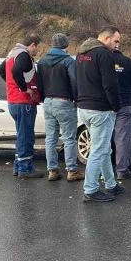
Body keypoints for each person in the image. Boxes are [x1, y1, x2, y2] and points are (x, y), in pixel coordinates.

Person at [76, 27, 124, 202]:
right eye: (115, 41)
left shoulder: (81, 54)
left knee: (103, 148)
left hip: (84, 108)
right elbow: (110, 84)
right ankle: (91, 189)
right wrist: (116, 105)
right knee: (99, 150)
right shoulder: (104, 55)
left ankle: (111, 184)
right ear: (105, 38)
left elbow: (76, 80)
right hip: (100, 110)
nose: (117, 45)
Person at [37, 33, 84, 183]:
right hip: (64, 102)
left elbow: (39, 83)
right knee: (69, 138)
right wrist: (77, 98)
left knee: (50, 138)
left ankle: (52, 170)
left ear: (52, 44)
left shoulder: (42, 61)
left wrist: (43, 97)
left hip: (48, 102)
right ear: (65, 45)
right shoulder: (68, 61)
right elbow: (75, 81)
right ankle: (72, 170)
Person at [0, 33, 43, 178]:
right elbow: (16, 71)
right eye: (37, 48)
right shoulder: (24, 55)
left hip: (13, 101)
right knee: (26, 136)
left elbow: (1, 70)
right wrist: (24, 88)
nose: (37, 52)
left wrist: (12, 85)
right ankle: (25, 169)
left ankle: (18, 166)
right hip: (23, 102)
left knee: (21, 135)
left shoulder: (12, 53)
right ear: (32, 45)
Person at [111, 40, 131, 180]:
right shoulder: (129, 62)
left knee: (103, 137)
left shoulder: (103, 62)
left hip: (107, 105)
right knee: (122, 137)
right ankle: (122, 169)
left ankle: (104, 169)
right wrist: (130, 96)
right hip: (125, 104)